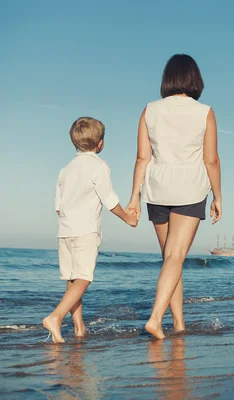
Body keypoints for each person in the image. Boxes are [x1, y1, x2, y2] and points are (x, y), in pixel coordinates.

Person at [126, 54, 222, 339]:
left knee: (171, 258)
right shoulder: (205, 111)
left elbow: (142, 157)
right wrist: (218, 196)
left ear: (167, 79)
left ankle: (178, 324)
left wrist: (134, 196)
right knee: (175, 257)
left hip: (156, 190)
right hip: (190, 188)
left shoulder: (149, 110)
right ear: (195, 79)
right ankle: (155, 318)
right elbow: (212, 160)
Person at [44, 117, 138, 343]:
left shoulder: (65, 170)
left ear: (74, 142)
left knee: (72, 279)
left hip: (64, 231)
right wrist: (127, 218)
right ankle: (55, 317)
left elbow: (58, 207)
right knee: (84, 278)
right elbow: (108, 198)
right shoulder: (99, 166)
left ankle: (78, 328)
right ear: (100, 144)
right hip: (85, 230)